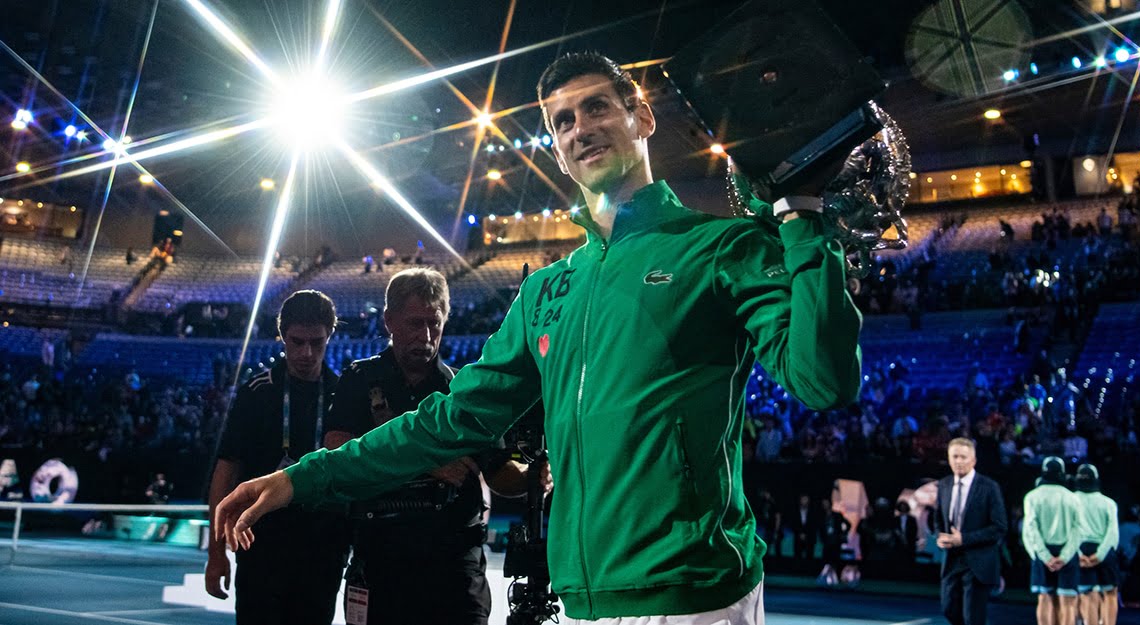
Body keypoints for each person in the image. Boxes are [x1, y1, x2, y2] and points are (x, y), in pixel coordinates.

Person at [215, 51, 862, 623]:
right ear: (555, 147)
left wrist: (801, 214)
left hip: (693, 596)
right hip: (582, 599)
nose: (581, 128)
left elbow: (823, 380)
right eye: (563, 121)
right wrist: (303, 477)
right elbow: (444, 422)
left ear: (642, 116)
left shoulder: (720, 248)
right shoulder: (547, 292)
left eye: (597, 107)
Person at [323, 268, 535, 624]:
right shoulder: (359, 381)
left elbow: (500, 473)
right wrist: (428, 462)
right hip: (383, 561)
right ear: (389, 321)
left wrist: (537, 476)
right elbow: (337, 454)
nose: (424, 336)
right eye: (414, 323)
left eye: (433, 324)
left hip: (455, 568)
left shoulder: (463, 390)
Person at [204, 291, 349, 625]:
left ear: (331, 336)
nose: (306, 353)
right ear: (281, 336)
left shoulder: (343, 395)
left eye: (317, 342)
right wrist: (216, 555)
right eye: (296, 342)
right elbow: (226, 471)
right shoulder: (257, 393)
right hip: (262, 549)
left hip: (322, 551)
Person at [934, 438, 1007, 625]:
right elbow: (938, 519)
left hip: (978, 562)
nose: (958, 461)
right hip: (952, 560)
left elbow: (999, 527)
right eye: (954, 457)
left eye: (963, 457)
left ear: (973, 460)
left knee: (972, 617)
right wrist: (940, 537)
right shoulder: (944, 485)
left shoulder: (989, 487)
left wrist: (964, 539)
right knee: (949, 608)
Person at [1022, 457, 1081, 625]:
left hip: (1043, 553)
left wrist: (1044, 556)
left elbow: (1031, 529)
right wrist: (1064, 556)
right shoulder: (1072, 498)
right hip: (1066, 554)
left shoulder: (1032, 497)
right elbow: (1078, 530)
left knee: (1045, 598)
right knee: (1068, 602)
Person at [1073, 464, 1119, 625]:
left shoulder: (1071, 500)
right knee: (1110, 593)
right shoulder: (1108, 503)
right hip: (1104, 549)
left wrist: (1079, 555)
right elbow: (1112, 533)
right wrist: (1099, 555)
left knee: (1088, 593)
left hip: (1081, 549)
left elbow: (1069, 530)